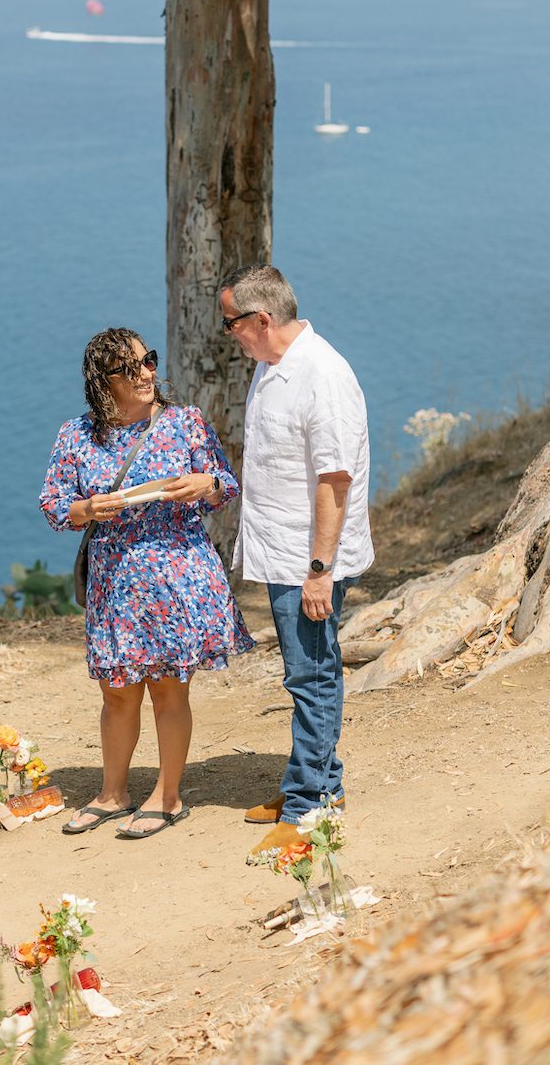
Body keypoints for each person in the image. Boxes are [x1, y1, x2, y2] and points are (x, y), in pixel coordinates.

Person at [40, 327, 253, 839]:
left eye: (148, 361)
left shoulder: (184, 424)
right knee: (116, 691)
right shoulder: (77, 434)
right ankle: (113, 793)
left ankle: (169, 796)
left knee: (167, 689)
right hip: (114, 583)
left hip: (177, 573)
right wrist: (87, 508)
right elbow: (53, 506)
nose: (144, 374)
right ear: (102, 382)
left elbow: (224, 483)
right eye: (128, 368)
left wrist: (205, 484)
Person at [218, 264, 374, 854]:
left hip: (309, 559)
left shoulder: (321, 376)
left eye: (232, 322)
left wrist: (319, 571)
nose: (228, 333)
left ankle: (312, 807)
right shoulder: (272, 363)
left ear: (262, 319)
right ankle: (312, 784)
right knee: (307, 671)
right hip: (282, 549)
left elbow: (334, 479)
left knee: (310, 675)